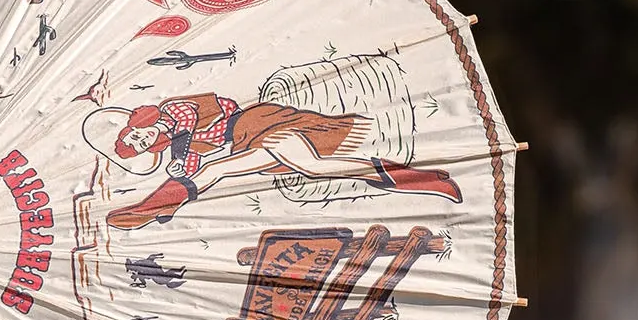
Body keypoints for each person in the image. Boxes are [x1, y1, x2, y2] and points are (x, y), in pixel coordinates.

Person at [83, 90, 462, 228]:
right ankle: (154, 209)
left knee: (312, 167)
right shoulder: (183, 147)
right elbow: (201, 160)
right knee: (218, 170)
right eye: (136, 144)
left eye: (133, 133)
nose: (140, 138)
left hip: (254, 123)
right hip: (245, 144)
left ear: (139, 119)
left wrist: (181, 151)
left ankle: (419, 177)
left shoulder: (172, 111)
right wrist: (184, 163)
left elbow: (201, 111)